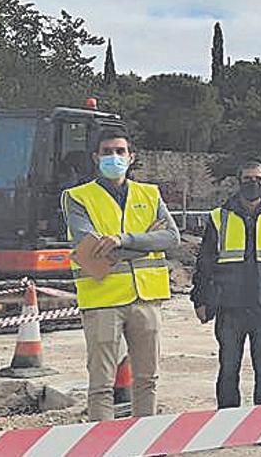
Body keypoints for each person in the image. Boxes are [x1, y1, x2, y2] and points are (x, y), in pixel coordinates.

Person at [62, 128, 179, 421]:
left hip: (146, 299)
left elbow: (172, 238)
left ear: (131, 157)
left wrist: (122, 240)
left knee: (147, 379)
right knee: (101, 384)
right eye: (107, 152)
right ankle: (102, 448)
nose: (114, 157)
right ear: (95, 157)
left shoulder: (150, 194)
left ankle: (145, 444)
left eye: (120, 151)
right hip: (102, 300)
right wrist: (146, 242)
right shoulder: (77, 197)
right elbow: (90, 249)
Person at [191, 160, 261, 410]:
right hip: (229, 308)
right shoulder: (219, 217)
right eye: (249, 179)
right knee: (228, 368)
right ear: (239, 181)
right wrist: (200, 300)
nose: (254, 184)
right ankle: (228, 423)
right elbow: (204, 263)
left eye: (259, 180)